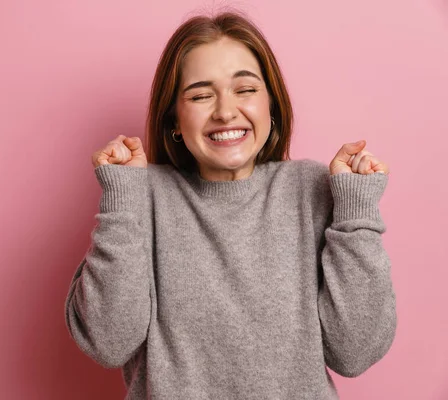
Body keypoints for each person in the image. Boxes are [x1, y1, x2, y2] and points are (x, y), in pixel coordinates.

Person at [64, 10, 396, 400]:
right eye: (201, 95)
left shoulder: (312, 189)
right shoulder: (141, 195)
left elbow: (354, 351)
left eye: (246, 89)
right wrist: (121, 201)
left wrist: (355, 214)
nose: (224, 111)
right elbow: (109, 342)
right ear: (174, 117)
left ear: (271, 105)